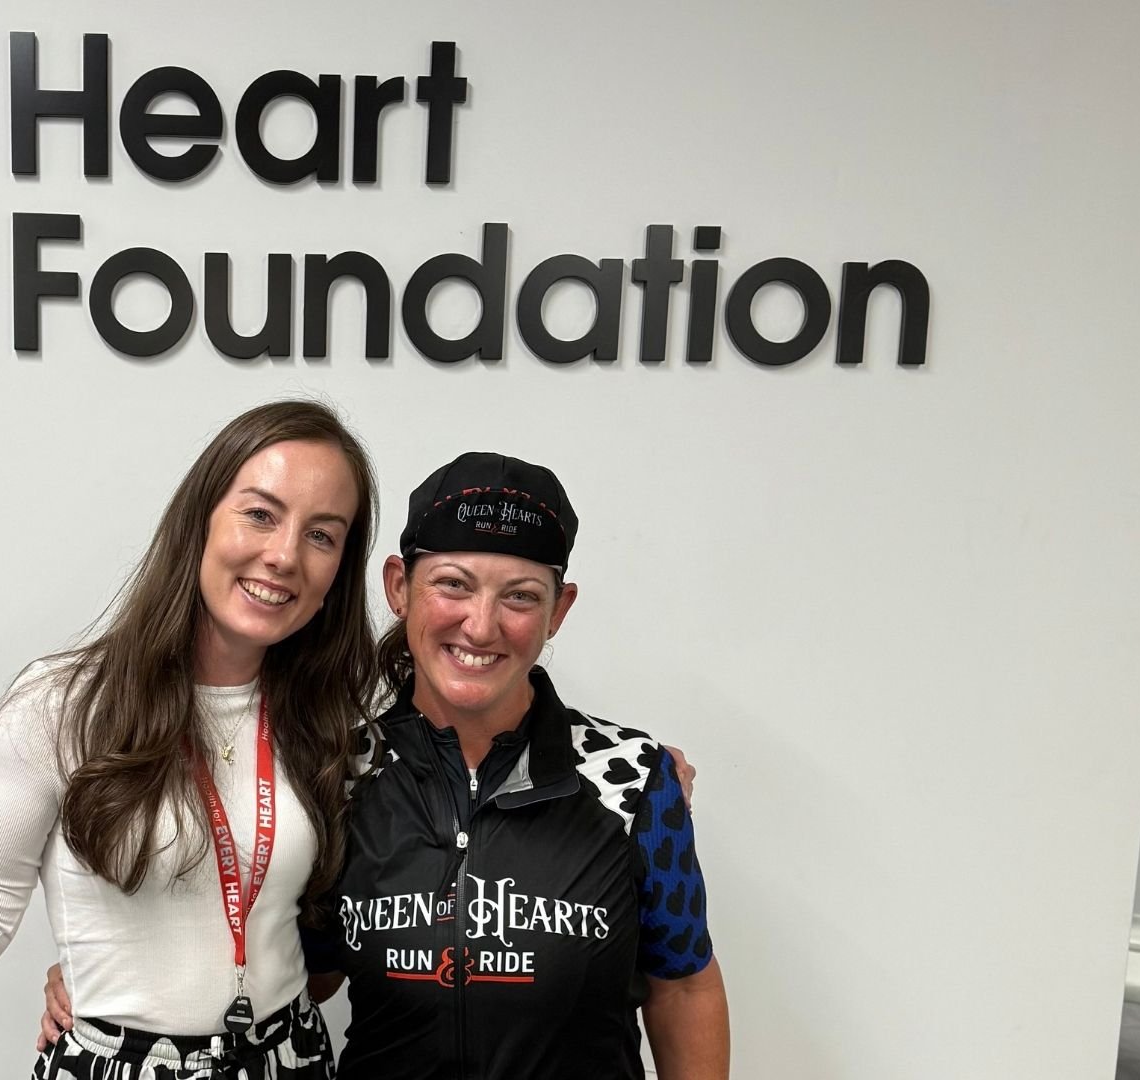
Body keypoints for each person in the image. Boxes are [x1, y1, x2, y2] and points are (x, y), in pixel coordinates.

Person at [45, 452, 729, 1079]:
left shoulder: (633, 779)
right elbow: (288, 971)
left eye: (520, 595)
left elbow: (686, 984)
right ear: (399, 587)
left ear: (559, 610)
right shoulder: (332, 771)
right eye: (453, 585)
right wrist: (117, 982)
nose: (482, 625)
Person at [0, 399, 381, 1079]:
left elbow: (317, 931)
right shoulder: (65, 706)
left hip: (289, 1057)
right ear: (199, 521)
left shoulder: (332, 719)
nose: (284, 555)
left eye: (322, 535)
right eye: (261, 514)